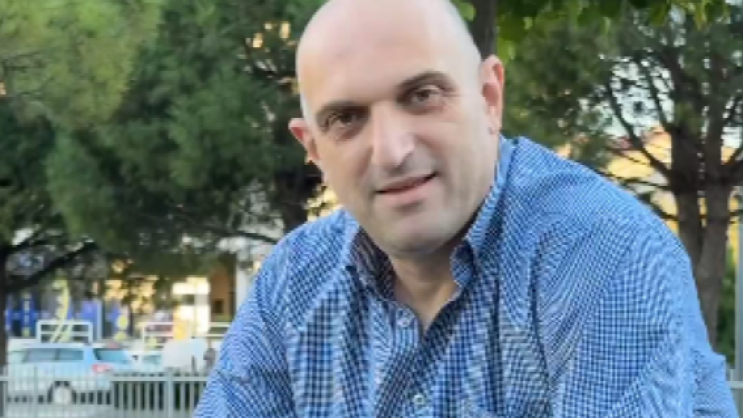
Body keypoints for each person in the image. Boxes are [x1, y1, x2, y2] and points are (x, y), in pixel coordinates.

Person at [194, 0, 737, 416]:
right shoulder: (293, 282)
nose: (391, 150)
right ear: (313, 149)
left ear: (489, 98)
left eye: (422, 96)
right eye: (347, 119)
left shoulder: (602, 251)